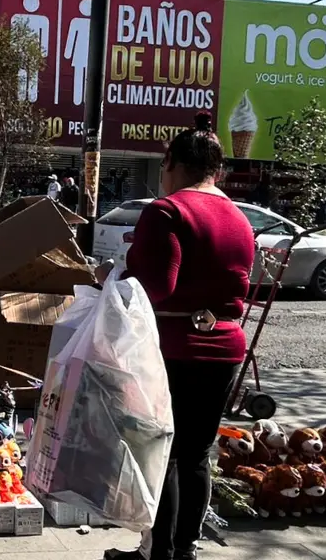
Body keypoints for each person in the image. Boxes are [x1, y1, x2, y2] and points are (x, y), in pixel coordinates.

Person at [103, 112, 254, 560]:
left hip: (173, 350)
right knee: (196, 453)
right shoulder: (239, 218)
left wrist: (112, 275)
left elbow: (156, 287)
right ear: (217, 170)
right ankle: (182, 548)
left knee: (163, 451)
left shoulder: (167, 210)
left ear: (170, 164)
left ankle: (160, 553)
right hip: (225, 347)